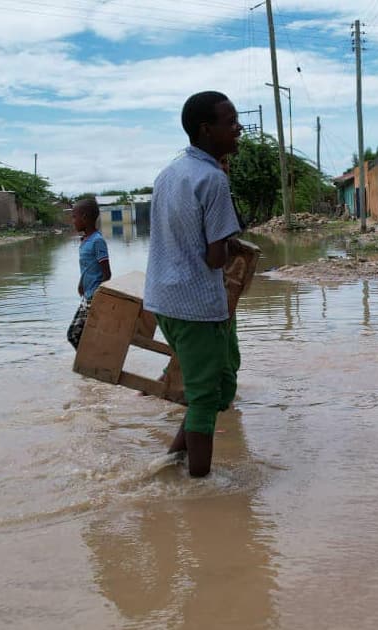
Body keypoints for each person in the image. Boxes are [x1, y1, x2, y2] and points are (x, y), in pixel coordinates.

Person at [144, 90, 244, 478]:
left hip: (164, 298)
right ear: (207, 129)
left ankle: (172, 460)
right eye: (231, 122)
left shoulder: (169, 172)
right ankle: (200, 487)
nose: (238, 129)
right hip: (197, 302)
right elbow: (215, 258)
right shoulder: (212, 179)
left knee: (217, 384)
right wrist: (230, 245)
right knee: (204, 398)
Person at [66, 198, 111, 349]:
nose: (73, 221)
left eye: (74, 216)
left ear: (84, 217)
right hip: (87, 295)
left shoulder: (97, 241)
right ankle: (91, 365)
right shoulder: (85, 240)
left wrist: (99, 297)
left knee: (74, 334)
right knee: (80, 334)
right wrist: (81, 283)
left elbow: (107, 273)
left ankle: (90, 365)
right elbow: (88, 267)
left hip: (94, 297)